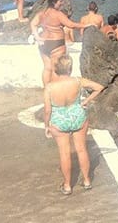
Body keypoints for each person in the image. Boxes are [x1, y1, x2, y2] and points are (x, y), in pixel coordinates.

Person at [43, 55, 104, 194]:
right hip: (78, 115)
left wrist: (47, 126)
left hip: (59, 120)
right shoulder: (78, 81)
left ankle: (67, 185)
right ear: (70, 69)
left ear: (56, 69)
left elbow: (47, 110)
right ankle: (87, 180)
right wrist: (86, 101)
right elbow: (99, 87)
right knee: (81, 149)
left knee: (64, 153)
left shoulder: (49, 87)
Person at [31, 0, 93, 86]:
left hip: (43, 42)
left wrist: (37, 37)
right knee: (56, 68)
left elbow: (33, 24)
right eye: (60, 1)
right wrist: (86, 25)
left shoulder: (42, 13)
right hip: (56, 43)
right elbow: (71, 25)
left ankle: (47, 89)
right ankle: (55, 90)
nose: (62, 3)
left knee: (47, 68)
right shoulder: (58, 14)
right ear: (54, 2)